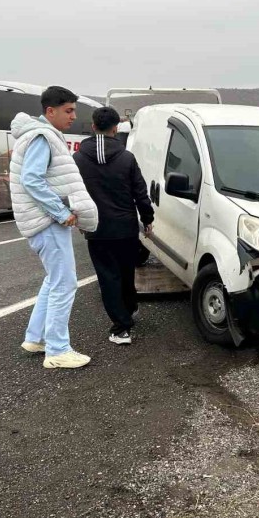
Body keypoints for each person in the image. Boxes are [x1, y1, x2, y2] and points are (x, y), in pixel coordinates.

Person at [9, 86, 100, 369]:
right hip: (47, 221)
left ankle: (36, 337)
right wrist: (61, 212)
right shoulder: (42, 136)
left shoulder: (41, 135)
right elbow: (32, 180)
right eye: (68, 110)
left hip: (42, 221)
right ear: (50, 111)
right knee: (64, 283)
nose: (73, 116)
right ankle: (58, 351)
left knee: (54, 280)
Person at [73, 106, 155, 345]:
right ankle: (129, 311)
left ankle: (121, 328)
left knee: (108, 277)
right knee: (126, 271)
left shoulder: (78, 158)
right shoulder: (127, 157)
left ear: (92, 126)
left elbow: (73, 193)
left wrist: (79, 218)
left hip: (96, 228)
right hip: (125, 226)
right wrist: (147, 219)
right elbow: (141, 193)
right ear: (115, 128)